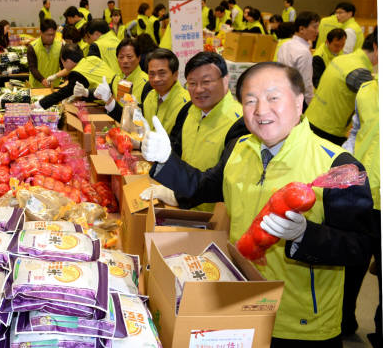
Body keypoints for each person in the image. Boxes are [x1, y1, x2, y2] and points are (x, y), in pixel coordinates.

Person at [141, 61, 377, 347]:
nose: (261, 110)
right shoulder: (239, 149)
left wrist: (306, 236)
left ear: (300, 101)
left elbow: (360, 247)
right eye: (250, 101)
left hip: (300, 325)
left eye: (273, 97)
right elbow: (203, 186)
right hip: (240, 303)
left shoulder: (336, 165)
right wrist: (166, 161)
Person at [143, 52, 246, 212]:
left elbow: (219, 182)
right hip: (180, 209)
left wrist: (176, 196)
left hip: (212, 218)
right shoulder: (189, 110)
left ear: (225, 81)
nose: (198, 90)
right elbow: (175, 150)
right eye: (192, 83)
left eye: (206, 82)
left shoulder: (240, 122)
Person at [305, 31, 377, 145]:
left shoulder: (342, 59)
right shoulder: (361, 72)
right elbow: (374, 108)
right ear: (376, 48)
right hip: (328, 131)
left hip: (310, 120)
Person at [352, 79, 382, 346]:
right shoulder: (365, 90)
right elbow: (356, 132)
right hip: (359, 196)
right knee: (350, 264)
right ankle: (343, 321)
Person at [121, 48, 188, 133]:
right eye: (152, 74)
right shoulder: (150, 95)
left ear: (175, 75)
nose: (156, 79)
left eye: (162, 73)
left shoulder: (186, 104)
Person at [35, 43, 117, 110]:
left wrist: (39, 104)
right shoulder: (92, 58)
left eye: (62, 62)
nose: (63, 66)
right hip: (119, 87)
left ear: (68, 61)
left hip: (111, 101)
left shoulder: (77, 74)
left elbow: (62, 93)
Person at [101, 38, 150, 122]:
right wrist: (86, 92)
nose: (125, 61)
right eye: (121, 57)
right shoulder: (117, 78)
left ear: (138, 58)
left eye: (129, 57)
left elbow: (143, 117)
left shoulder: (147, 83)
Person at [277, 11, 320, 104]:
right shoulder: (304, 52)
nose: (317, 31)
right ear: (301, 29)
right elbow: (306, 83)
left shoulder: (285, 45)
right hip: (296, 98)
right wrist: (310, 103)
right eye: (315, 27)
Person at [27, 19, 62, 88]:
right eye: (48, 35)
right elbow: (32, 67)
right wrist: (42, 80)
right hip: (36, 87)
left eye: (53, 34)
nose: (51, 37)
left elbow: (64, 66)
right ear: (41, 32)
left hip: (54, 86)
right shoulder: (32, 47)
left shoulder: (60, 46)